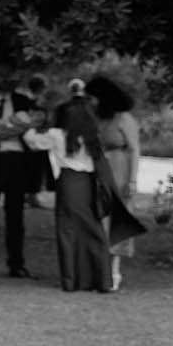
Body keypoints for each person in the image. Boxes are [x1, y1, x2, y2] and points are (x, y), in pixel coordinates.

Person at [23, 81, 114, 293]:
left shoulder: (58, 135)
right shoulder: (92, 138)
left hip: (68, 182)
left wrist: (35, 124)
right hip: (89, 183)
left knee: (68, 230)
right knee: (93, 229)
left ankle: (72, 279)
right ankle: (100, 279)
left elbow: (31, 140)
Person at [0, 67, 45, 278]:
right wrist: (13, 126)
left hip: (17, 162)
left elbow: (37, 122)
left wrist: (1, 129)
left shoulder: (23, 101)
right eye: (2, 76)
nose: (6, 80)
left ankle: (16, 263)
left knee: (15, 216)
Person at [85, 75, 143, 290]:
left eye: (92, 98)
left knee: (117, 220)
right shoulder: (98, 118)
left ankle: (114, 270)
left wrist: (133, 179)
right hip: (100, 170)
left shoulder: (125, 119)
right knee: (98, 218)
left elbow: (134, 149)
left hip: (119, 170)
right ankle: (98, 269)